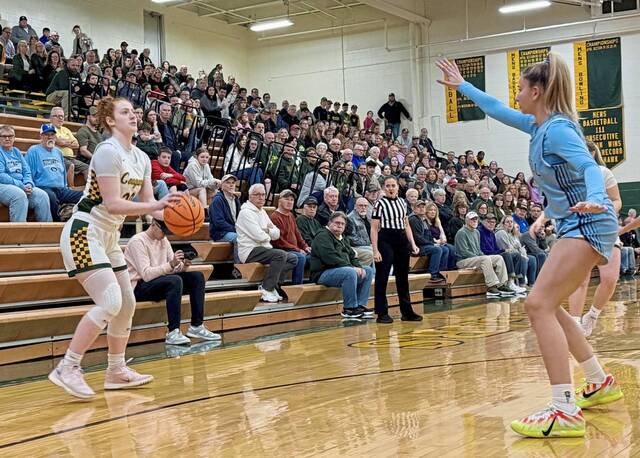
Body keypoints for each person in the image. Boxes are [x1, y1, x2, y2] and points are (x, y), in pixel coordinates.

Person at [437, 53, 622, 438]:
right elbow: (497, 109)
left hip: (587, 220)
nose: (517, 94)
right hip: (579, 221)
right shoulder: (537, 125)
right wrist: (463, 87)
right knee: (549, 305)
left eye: (521, 88)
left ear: (536, 92)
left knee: (537, 304)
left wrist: (593, 197)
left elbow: (590, 167)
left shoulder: (557, 130)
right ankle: (597, 380)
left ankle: (563, 408)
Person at [49, 96, 182, 399]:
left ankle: (116, 370)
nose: (134, 116)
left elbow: (151, 209)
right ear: (110, 120)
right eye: (125, 112)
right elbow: (112, 203)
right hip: (84, 231)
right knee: (110, 301)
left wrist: (181, 211)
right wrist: (155, 204)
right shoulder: (107, 151)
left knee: (127, 303)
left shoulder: (141, 158)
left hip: (109, 236)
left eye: (134, 112)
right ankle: (68, 366)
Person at [125, 219, 221, 345]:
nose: (164, 235)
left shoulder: (163, 240)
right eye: (163, 231)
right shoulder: (137, 241)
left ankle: (196, 326)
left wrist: (182, 265)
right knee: (174, 280)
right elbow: (146, 274)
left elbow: (172, 266)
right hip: (138, 286)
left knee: (197, 277)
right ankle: (173, 332)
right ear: (153, 224)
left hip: (159, 281)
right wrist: (171, 264)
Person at [568, 141, 623, 337]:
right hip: (580, 228)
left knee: (610, 279)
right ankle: (574, 322)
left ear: (593, 153)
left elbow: (617, 200)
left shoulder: (602, 172)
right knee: (580, 279)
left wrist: (606, 211)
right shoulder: (569, 174)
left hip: (605, 226)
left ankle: (592, 315)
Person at [371, 176, 421, 323]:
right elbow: (374, 228)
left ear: (398, 187)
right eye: (388, 186)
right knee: (382, 277)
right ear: (383, 188)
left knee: (403, 277)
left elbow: (406, 225)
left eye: (393, 185)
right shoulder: (379, 204)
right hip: (385, 239)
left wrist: (412, 244)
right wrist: (375, 250)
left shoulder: (402, 202)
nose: (391, 188)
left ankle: (407, 312)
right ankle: (382, 313)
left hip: (401, 239)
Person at [236, 184, 298, 303]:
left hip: (263, 248)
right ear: (250, 197)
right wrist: (269, 233)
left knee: (293, 258)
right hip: (249, 250)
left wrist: (267, 231)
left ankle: (272, 284)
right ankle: (266, 288)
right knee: (280, 255)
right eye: (257, 194)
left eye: (263, 194)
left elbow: (277, 233)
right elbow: (259, 236)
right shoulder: (246, 213)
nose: (261, 197)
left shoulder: (262, 212)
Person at [311, 212, 375, 319]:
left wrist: (358, 266)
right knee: (349, 272)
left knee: (367, 271)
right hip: (323, 273)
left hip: (340, 270)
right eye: (337, 222)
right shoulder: (322, 236)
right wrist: (352, 268)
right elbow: (330, 258)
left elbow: (352, 256)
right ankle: (349, 309)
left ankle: (360, 305)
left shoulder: (343, 238)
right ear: (329, 223)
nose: (340, 225)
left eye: (342, 224)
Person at [25, 123, 83, 221]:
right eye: (46, 135)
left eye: (52, 134)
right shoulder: (33, 151)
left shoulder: (58, 152)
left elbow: (62, 172)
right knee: (50, 196)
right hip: (43, 188)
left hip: (61, 189)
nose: (50, 137)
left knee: (83, 196)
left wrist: (65, 186)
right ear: (41, 136)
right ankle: (57, 224)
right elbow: (28, 172)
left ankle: (77, 221)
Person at [454, 211, 514, 297]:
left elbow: (478, 250)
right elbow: (463, 252)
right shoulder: (461, 232)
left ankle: (502, 284)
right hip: (463, 261)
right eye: (472, 219)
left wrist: (482, 256)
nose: (474, 221)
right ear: (466, 220)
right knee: (485, 259)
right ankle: (491, 286)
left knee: (498, 258)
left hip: (475, 259)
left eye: (476, 219)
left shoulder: (476, 232)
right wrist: (480, 257)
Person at [0, 124, 51, 222]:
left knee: (42, 195)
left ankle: (46, 232)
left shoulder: (16, 151)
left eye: (10, 136)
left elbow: (26, 170)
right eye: (4, 136)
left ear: (14, 138)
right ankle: (18, 233)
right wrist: (21, 185)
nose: (7, 139)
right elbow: (1, 176)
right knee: (19, 195)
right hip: (3, 185)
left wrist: (28, 183)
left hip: (20, 185)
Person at [479, 213, 527, 293]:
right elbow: (484, 250)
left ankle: (515, 283)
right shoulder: (483, 232)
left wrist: (502, 250)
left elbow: (497, 249)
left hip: (494, 254)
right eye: (489, 222)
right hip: (486, 256)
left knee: (518, 255)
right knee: (508, 254)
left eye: (493, 222)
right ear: (484, 222)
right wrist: (503, 250)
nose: (491, 224)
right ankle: (510, 283)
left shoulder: (492, 233)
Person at [270, 189, 310, 285]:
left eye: (292, 200)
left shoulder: (291, 215)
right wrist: (297, 249)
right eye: (287, 199)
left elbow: (297, 233)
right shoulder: (275, 217)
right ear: (279, 201)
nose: (290, 202)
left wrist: (305, 247)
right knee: (301, 257)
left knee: (313, 257)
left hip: (293, 249)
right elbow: (279, 241)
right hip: (282, 250)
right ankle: (296, 286)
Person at [409, 200, 448, 283]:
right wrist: (433, 244)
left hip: (423, 245)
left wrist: (435, 242)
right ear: (413, 208)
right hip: (416, 247)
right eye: (418, 207)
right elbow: (417, 238)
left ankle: (441, 272)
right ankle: (432, 274)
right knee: (437, 249)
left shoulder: (423, 219)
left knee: (445, 249)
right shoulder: (413, 219)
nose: (421, 209)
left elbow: (429, 235)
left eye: (423, 207)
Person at [496, 215, 538, 287]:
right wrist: (520, 251)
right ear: (503, 224)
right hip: (505, 255)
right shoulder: (501, 233)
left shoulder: (512, 234)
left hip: (515, 254)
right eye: (507, 222)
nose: (510, 223)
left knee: (532, 258)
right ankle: (521, 284)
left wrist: (522, 252)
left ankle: (531, 284)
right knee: (522, 258)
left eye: (511, 222)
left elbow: (521, 248)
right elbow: (508, 249)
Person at [346, 197, 375, 266]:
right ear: (355, 206)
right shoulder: (350, 218)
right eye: (360, 205)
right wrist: (368, 243)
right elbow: (352, 239)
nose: (363, 208)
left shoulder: (367, 217)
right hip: (355, 246)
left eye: (365, 206)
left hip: (366, 244)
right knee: (373, 251)